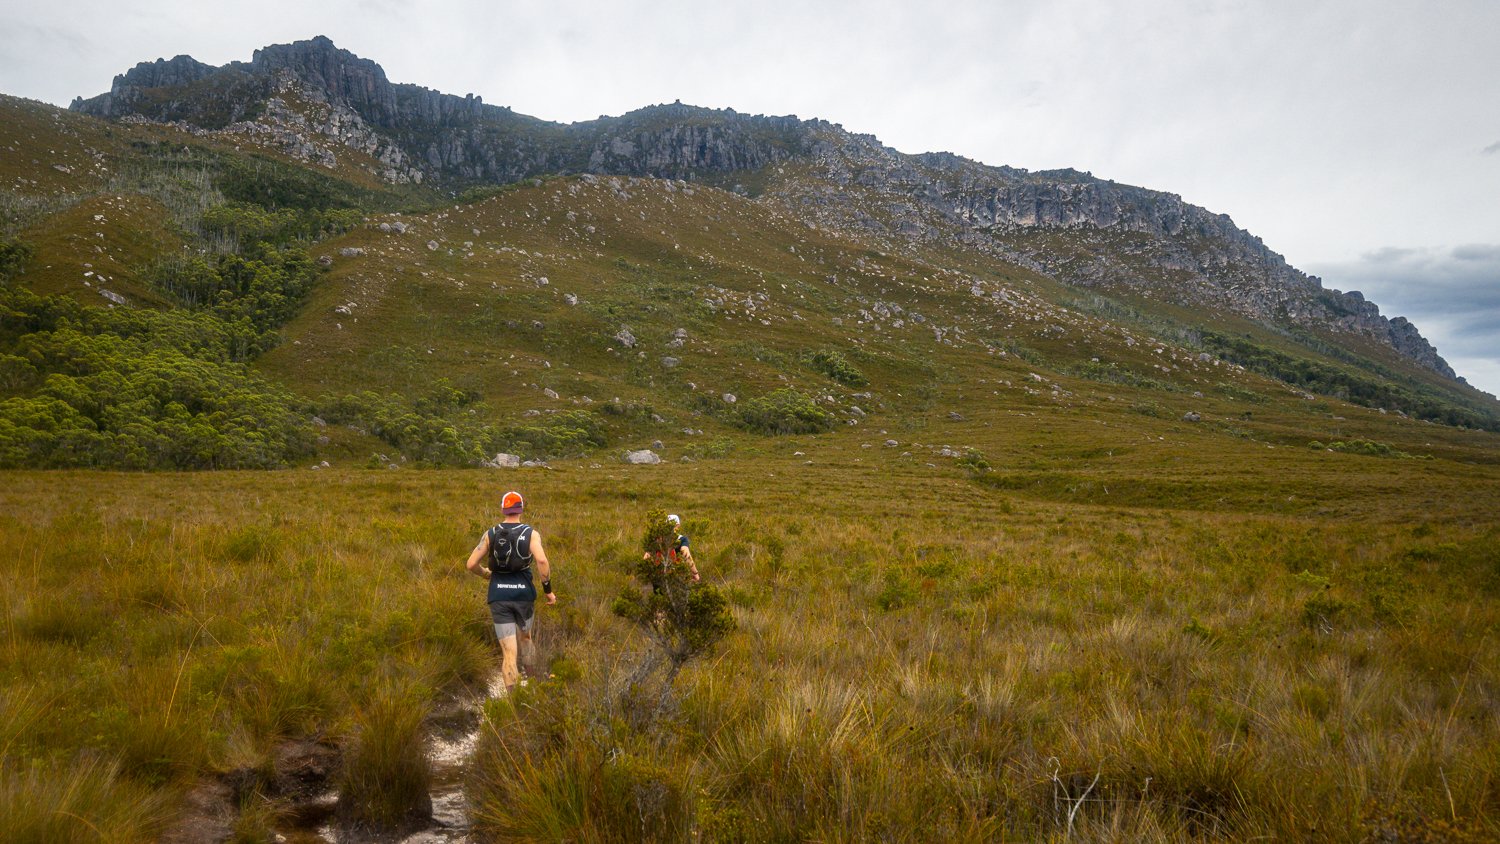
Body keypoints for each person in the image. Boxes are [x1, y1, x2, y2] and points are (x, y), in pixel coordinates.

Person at [465, 490, 555, 692]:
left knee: (508, 653)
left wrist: (486, 574)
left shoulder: (490, 534)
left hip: (499, 596)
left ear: (503, 509)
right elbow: (541, 561)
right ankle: (534, 685)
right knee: (526, 639)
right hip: (524, 595)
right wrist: (548, 590)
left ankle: (513, 701)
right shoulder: (531, 533)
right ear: (521, 508)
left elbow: (471, 564)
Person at [643, 513, 699, 581]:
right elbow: (686, 554)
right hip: (676, 576)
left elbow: (646, 557)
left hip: (658, 576)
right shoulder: (681, 539)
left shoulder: (658, 540)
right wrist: (695, 573)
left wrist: (648, 574)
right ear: (678, 525)